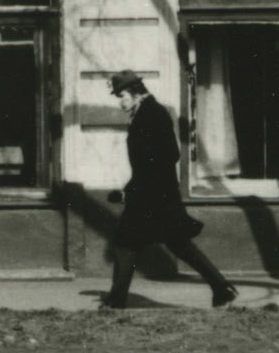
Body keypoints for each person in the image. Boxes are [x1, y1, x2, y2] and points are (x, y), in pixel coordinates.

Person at [103, 70, 240, 308]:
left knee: (126, 242)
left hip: (153, 195)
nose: (120, 100)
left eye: (122, 95)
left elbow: (168, 155)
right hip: (157, 193)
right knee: (175, 243)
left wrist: (134, 190)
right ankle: (222, 288)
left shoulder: (152, 114)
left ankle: (116, 301)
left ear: (136, 93)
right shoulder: (145, 113)